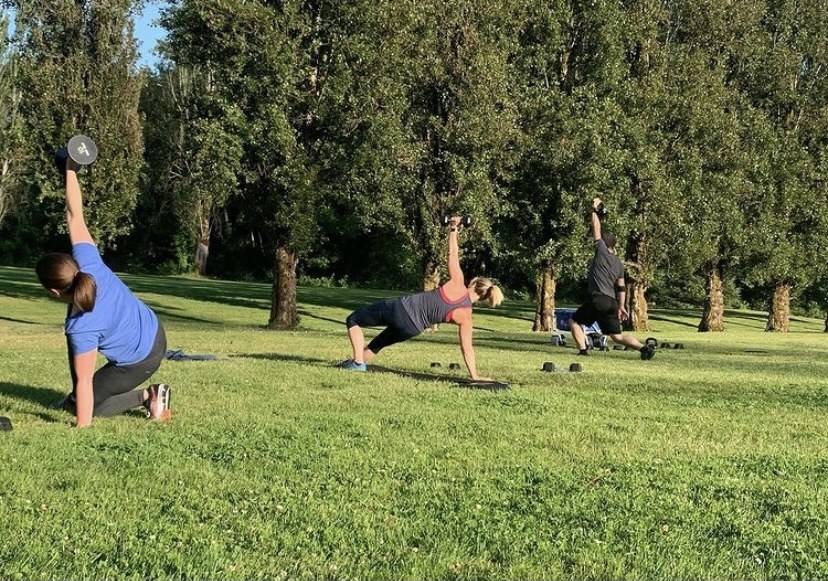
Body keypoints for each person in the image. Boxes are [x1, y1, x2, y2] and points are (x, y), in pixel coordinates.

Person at [35, 154, 171, 427]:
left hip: (141, 359)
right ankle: (78, 401)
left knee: (88, 405)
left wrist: (81, 428)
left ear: (53, 291)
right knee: (81, 388)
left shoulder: (82, 325)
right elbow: (75, 214)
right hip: (154, 329)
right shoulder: (87, 262)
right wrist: (71, 167)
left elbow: (85, 380)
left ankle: (149, 395)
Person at [340, 216, 504, 380]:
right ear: (483, 297)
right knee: (377, 344)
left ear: (474, 283)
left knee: (353, 319)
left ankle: (358, 364)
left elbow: (452, 253)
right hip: (411, 329)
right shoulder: (466, 318)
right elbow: (467, 348)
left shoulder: (458, 283)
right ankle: (354, 363)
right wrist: (475, 376)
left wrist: (453, 227)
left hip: (401, 309)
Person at [570, 197, 656, 360]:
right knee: (617, 336)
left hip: (598, 299)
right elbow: (622, 287)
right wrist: (621, 306)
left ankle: (583, 350)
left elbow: (596, 228)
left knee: (574, 322)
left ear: (604, 243)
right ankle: (644, 349)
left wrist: (594, 209)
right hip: (612, 302)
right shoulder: (618, 263)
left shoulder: (601, 251)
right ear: (614, 245)